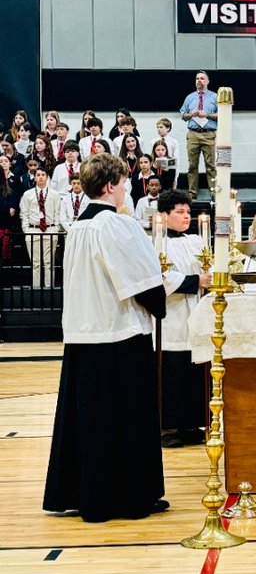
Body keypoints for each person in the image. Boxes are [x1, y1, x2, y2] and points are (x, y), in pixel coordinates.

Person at [43, 152, 168, 523]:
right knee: (124, 419)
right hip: (118, 333)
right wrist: (158, 302)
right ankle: (130, 495)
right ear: (111, 185)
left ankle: (88, 493)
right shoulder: (115, 225)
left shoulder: (78, 228)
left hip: (83, 335)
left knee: (89, 421)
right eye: (125, 183)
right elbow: (141, 280)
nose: (127, 189)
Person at [157, 189, 211, 447]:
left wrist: (209, 276)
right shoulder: (156, 243)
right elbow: (161, 278)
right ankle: (170, 426)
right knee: (173, 372)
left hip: (196, 313)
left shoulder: (196, 242)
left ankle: (193, 424)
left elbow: (209, 268)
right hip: (172, 317)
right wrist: (197, 281)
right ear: (164, 216)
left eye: (188, 212)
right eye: (179, 212)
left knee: (194, 372)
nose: (186, 216)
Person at [19, 166, 62, 288]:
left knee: (49, 262)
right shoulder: (28, 194)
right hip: (33, 229)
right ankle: (36, 289)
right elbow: (24, 213)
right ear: (35, 177)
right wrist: (26, 229)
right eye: (38, 175)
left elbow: (57, 212)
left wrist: (56, 228)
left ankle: (49, 289)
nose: (41, 177)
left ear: (47, 178)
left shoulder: (55, 194)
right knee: (36, 263)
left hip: (50, 229)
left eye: (43, 175)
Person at [179, 71, 218, 200]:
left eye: (202, 78)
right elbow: (183, 115)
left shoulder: (214, 97)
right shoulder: (190, 97)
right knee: (192, 165)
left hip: (208, 134)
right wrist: (191, 114)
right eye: (197, 79)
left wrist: (207, 114)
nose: (199, 81)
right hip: (193, 134)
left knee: (211, 165)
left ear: (207, 81)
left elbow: (222, 115)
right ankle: (192, 192)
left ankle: (213, 192)